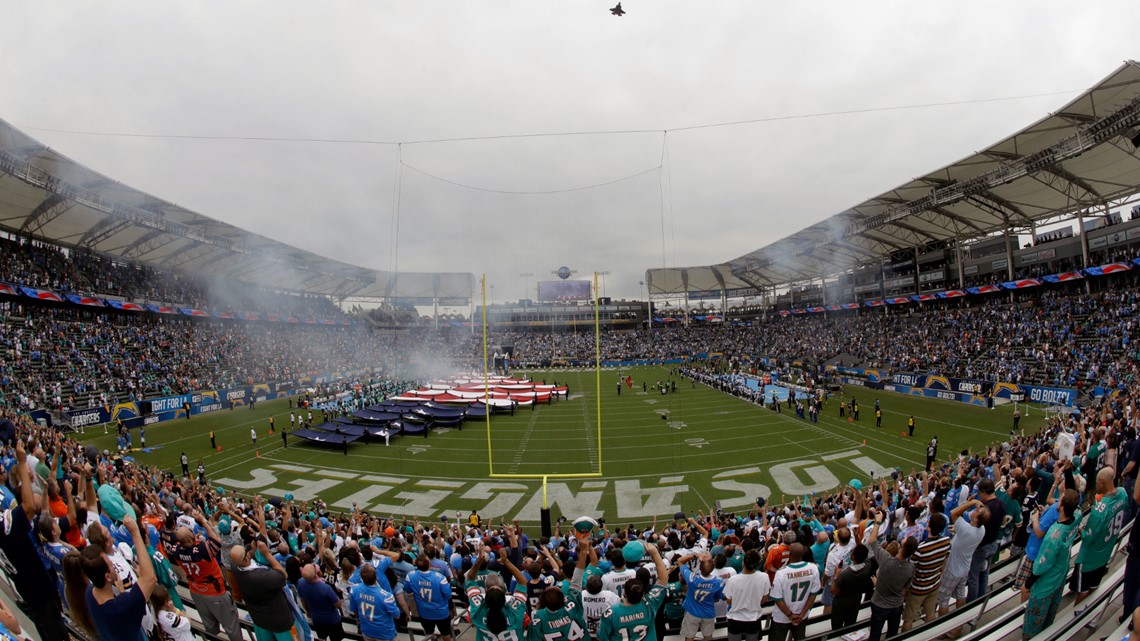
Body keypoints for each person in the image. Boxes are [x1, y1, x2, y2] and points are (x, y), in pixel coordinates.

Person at [0, 439, 68, 641]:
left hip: (28, 588)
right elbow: (29, 507)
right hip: (37, 591)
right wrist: (21, 462)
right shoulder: (3, 525)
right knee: (54, 631)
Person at [82, 514, 157, 641]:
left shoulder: (90, 592)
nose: (112, 564)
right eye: (111, 564)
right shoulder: (123, 606)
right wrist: (135, 533)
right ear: (107, 576)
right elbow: (150, 578)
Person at [170, 511, 244, 641]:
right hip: (214, 591)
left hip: (196, 590)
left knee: (209, 625)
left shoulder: (176, 551)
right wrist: (203, 521)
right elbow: (216, 541)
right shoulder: (203, 550)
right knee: (231, 625)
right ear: (191, 537)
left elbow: (183, 546)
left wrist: (193, 541)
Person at [1022, 490, 1081, 640]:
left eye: (1060, 500)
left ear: (1061, 507)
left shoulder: (1053, 535)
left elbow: (1041, 565)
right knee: (1049, 617)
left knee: (1033, 625)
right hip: (1060, 574)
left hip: (1046, 583)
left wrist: (1027, 585)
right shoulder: (1077, 517)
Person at [1072, 467, 1127, 613]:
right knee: (1094, 586)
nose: (1096, 485)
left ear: (1102, 483)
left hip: (1089, 558)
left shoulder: (1100, 510)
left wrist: (1080, 529)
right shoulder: (1122, 493)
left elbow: (1088, 537)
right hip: (1105, 552)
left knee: (1083, 591)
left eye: (1097, 482)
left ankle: (1075, 617)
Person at [597, 538, 669, 641]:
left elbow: (602, 638)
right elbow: (663, 580)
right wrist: (655, 554)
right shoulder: (649, 605)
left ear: (625, 594)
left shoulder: (611, 613)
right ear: (643, 594)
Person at [937, 499, 987, 635]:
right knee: (960, 595)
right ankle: (960, 623)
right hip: (964, 568)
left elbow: (954, 513)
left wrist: (972, 503)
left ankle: (943, 631)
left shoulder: (966, 529)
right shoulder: (981, 529)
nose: (975, 510)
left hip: (952, 570)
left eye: (977, 511)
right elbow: (964, 530)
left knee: (943, 599)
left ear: (977, 519)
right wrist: (958, 531)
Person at [230, 541, 294, 641]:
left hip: (259, 618)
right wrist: (267, 554)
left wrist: (253, 550)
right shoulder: (260, 577)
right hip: (278, 620)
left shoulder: (234, 567)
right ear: (246, 558)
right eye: (246, 551)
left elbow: (246, 560)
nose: (248, 551)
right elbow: (283, 575)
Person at [867, 513, 916, 641]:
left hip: (880, 605)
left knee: (875, 635)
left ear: (900, 548)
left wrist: (877, 523)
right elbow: (905, 589)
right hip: (896, 606)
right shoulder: (911, 568)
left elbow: (872, 541)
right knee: (892, 634)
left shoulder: (886, 560)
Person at [466, 547, 529, 641]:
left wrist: (479, 560)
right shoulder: (515, 613)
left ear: (485, 595)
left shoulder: (477, 611)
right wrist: (506, 561)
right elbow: (522, 582)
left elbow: (470, 579)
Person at [902, 513, 950, 631]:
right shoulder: (946, 542)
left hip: (918, 588)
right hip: (934, 584)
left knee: (908, 618)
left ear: (929, 527)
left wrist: (907, 588)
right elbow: (944, 562)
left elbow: (911, 570)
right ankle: (930, 635)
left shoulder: (920, 549)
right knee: (930, 613)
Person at [769, 543, 820, 641]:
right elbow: (813, 595)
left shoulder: (781, 573)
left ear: (790, 555)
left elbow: (778, 599)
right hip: (802, 615)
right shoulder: (813, 568)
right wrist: (801, 614)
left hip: (782, 617)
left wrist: (790, 615)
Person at [966, 478, 1005, 602]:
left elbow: (974, 525)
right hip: (993, 543)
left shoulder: (985, 508)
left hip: (981, 546)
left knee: (974, 576)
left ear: (983, 492)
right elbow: (1003, 522)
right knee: (984, 574)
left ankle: (972, 605)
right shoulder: (1001, 503)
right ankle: (981, 600)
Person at [723, 549, 770, 641]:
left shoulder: (733, 580)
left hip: (735, 619)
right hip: (753, 619)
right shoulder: (764, 577)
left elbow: (729, 601)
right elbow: (764, 599)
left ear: (743, 562)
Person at [676, 552, 724, 641]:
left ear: (700, 567)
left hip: (692, 612)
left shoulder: (692, 578)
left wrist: (696, 555)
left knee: (689, 637)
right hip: (708, 613)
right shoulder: (718, 582)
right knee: (708, 637)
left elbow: (680, 561)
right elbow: (718, 597)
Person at [404, 554, 454, 641]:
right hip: (441, 613)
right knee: (446, 634)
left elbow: (408, 590)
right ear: (429, 565)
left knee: (429, 634)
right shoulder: (440, 578)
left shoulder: (410, 576)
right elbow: (448, 595)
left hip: (424, 612)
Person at [351, 563, 402, 641]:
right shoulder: (386, 596)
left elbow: (355, 610)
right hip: (384, 634)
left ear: (361, 578)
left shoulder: (354, 590)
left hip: (367, 630)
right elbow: (397, 615)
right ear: (376, 577)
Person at [830, 544, 873, 630]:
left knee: (836, 628)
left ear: (853, 556)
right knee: (850, 625)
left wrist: (836, 575)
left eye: (852, 552)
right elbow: (863, 552)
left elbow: (833, 591)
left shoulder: (845, 574)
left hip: (840, 603)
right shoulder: (868, 566)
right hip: (855, 601)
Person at [298, 563, 345, 641]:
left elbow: (303, 600)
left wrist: (308, 612)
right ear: (315, 574)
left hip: (317, 619)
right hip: (332, 620)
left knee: (322, 638)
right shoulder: (326, 588)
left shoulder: (300, 584)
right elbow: (338, 604)